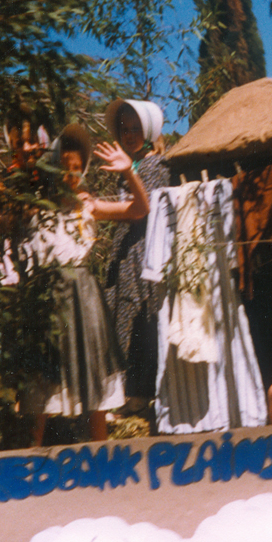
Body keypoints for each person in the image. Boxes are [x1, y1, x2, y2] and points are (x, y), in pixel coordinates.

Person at [24, 124, 150, 445]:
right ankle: (27, 461)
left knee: (95, 389)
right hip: (49, 299)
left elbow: (140, 209)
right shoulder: (38, 208)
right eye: (65, 168)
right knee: (42, 391)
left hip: (84, 300)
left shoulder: (88, 206)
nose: (72, 175)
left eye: (77, 169)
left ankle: (100, 462)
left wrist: (129, 172)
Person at [101, 99, 170, 411]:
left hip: (144, 251)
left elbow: (142, 212)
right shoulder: (127, 167)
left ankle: (141, 393)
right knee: (121, 316)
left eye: (136, 129)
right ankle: (126, 392)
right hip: (125, 251)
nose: (129, 135)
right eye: (124, 129)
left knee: (142, 315)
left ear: (150, 131)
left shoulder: (157, 165)